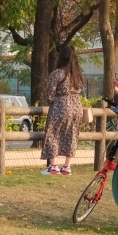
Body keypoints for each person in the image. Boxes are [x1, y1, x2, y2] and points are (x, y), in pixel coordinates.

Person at [41, 46, 83, 175]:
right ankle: (67, 167)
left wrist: (53, 101)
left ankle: (53, 166)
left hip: (61, 105)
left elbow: (49, 93)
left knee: (52, 134)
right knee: (72, 135)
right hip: (76, 106)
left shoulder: (57, 73)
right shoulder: (78, 74)